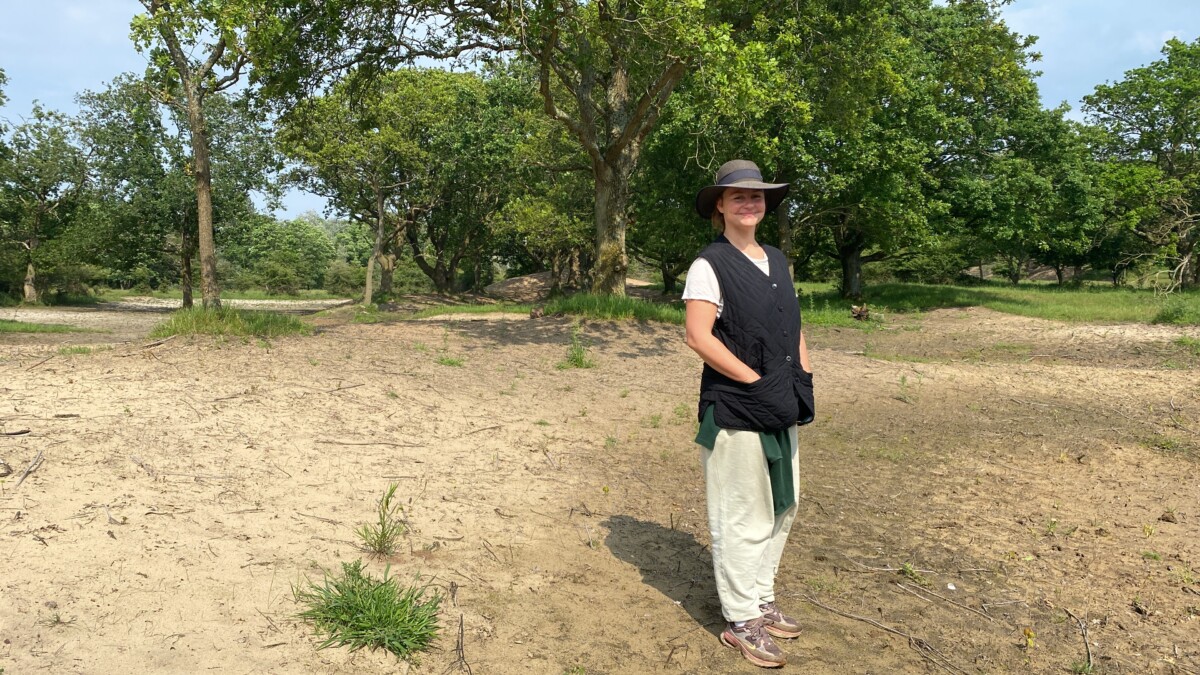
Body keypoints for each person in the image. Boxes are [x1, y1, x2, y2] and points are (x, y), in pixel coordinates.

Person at [682, 159, 815, 669]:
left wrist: (802, 369)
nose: (749, 203)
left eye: (757, 196)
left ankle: (761, 598)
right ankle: (740, 620)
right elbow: (698, 337)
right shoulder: (708, 265)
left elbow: (791, 323)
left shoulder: (777, 259)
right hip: (737, 408)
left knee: (785, 504)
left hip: (783, 401)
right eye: (738, 196)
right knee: (742, 515)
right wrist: (754, 381)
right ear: (720, 204)